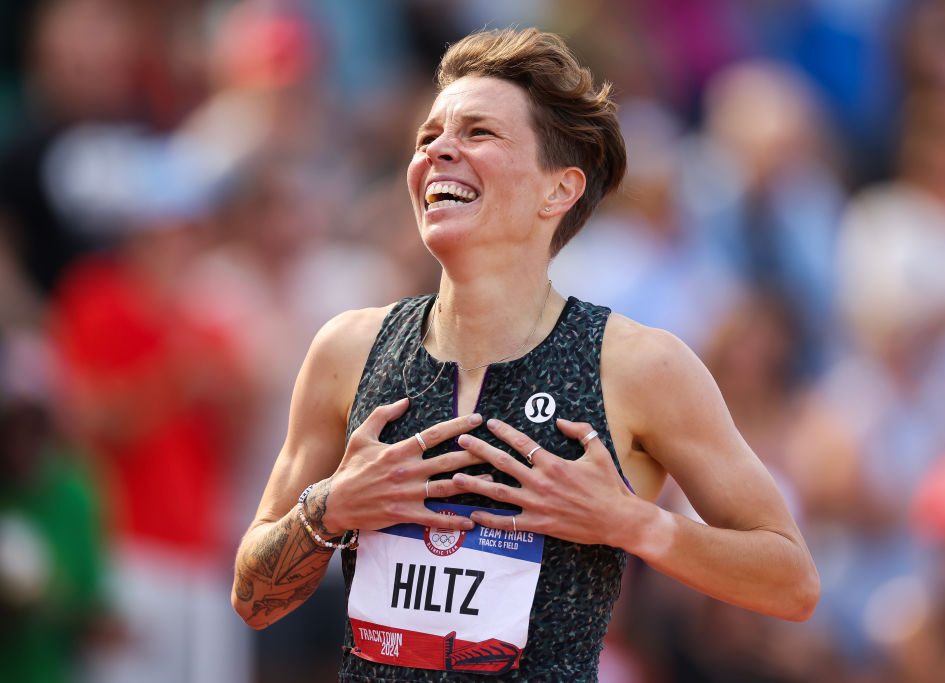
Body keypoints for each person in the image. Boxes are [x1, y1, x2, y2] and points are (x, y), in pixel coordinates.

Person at [231, 27, 819, 681]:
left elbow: (791, 580)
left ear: (558, 189)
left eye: (478, 133)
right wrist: (331, 506)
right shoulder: (348, 348)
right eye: (428, 138)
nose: (440, 151)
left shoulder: (637, 365)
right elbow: (253, 597)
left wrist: (632, 523)